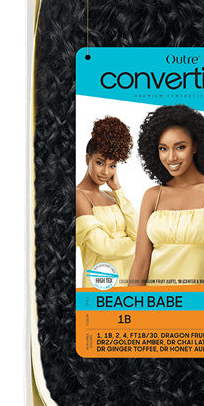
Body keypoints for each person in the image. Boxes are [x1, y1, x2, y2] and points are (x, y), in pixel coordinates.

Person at [129, 105, 204, 286]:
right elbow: (140, 263)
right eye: (163, 149)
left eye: (180, 147)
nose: (171, 158)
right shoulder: (152, 196)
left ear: (195, 146)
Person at [75, 117, 138, 287]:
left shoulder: (112, 195)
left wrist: (117, 188)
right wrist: (136, 244)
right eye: (100, 163)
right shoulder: (79, 197)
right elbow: (103, 247)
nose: (105, 172)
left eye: (112, 166)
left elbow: (138, 232)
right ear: (87, 159)